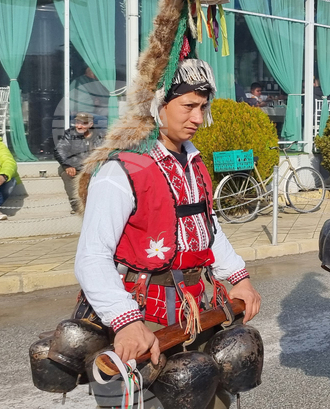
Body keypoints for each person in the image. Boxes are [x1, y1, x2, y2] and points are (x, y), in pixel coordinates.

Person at [74, 55, 261, 408]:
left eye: (203, 107)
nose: (197, 118)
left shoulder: (194, 162)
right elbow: (92, 256)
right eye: (188, 105)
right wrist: (126, 321)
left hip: (194, 310)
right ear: (157, 104)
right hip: (141, 313)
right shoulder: (121, 170)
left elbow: (208, 228)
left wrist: (239, 277)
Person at [54, 112, 103, 214]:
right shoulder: (69, 134)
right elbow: (60, 150)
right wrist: (67, 165)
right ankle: (76, 206)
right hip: (74, 167)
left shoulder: (101, 135)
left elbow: (108, 152)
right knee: (66, 174)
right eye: (77, 122)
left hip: (96, 168)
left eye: (83, 123)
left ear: (90, 124)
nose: (79, 126)